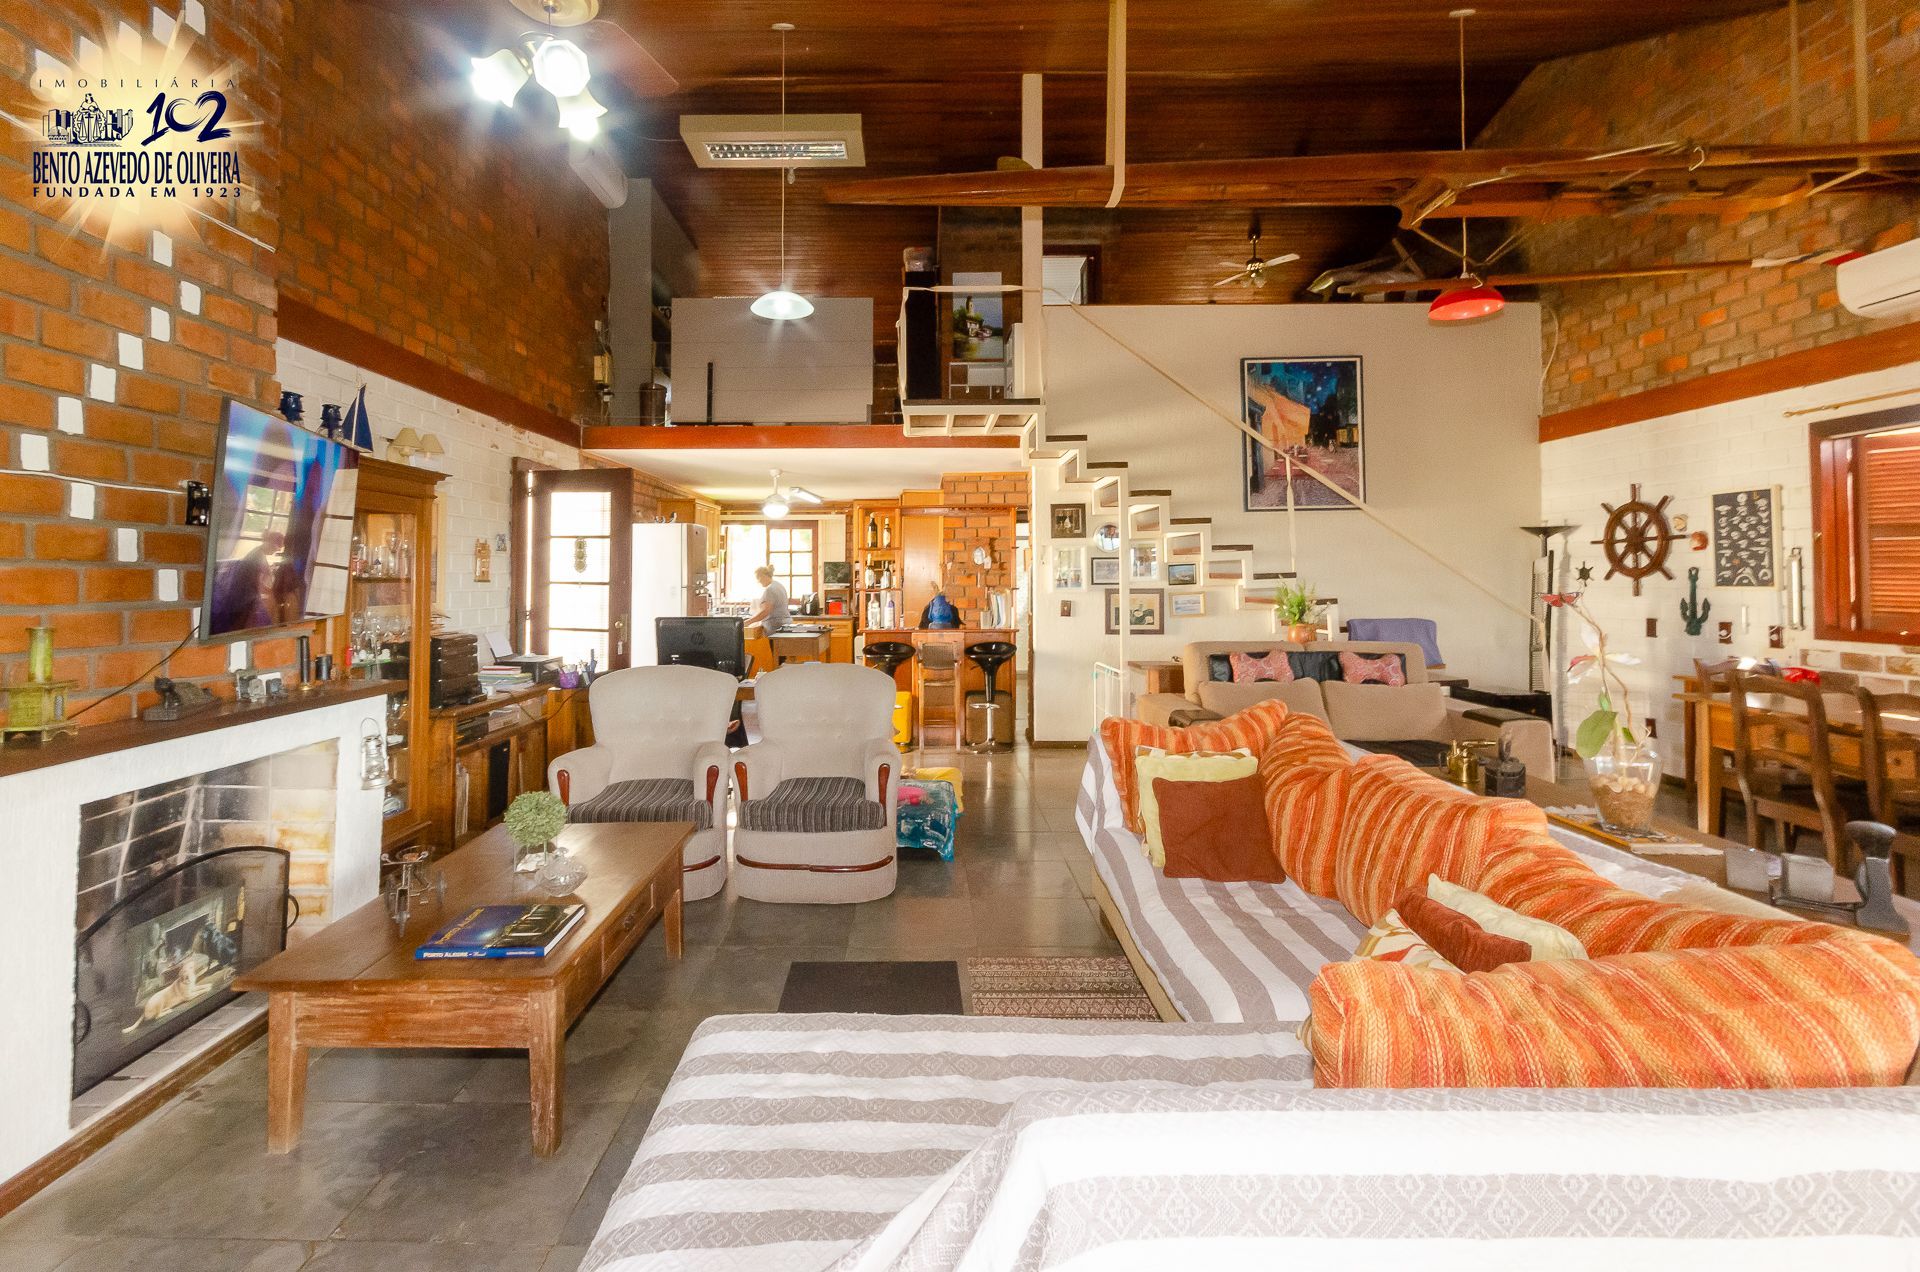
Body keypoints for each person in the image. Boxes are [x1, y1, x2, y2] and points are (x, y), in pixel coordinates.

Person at [743, 565, 790, 636]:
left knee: (775, 644)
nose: (758, 581)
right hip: (784, 624)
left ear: (764, 576)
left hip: (775, 626)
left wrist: (748, 622)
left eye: (758, 578)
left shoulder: (770, 590)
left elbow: (765, 611)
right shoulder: (779, 585)